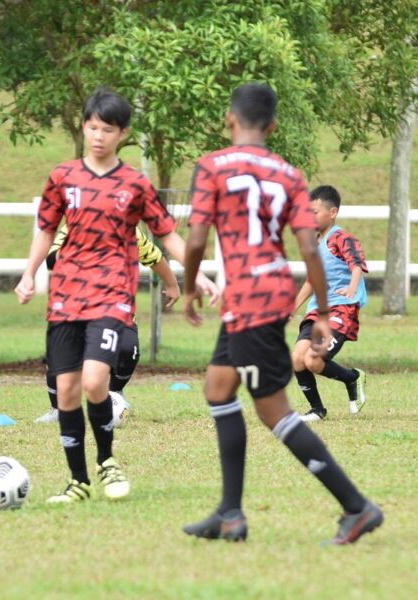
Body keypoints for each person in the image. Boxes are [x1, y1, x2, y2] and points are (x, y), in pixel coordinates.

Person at [182, 82, 383, 544]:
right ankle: (229, 513)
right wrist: (324, 312)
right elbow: (310, 249)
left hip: (250, 299)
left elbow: (195, 240)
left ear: (230, 119)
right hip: (267, 294)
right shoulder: (289, 175)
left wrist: (190, 285)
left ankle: (356, 507)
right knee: (218, 387)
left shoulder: (211, 166)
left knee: (274, 412)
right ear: (272, 126)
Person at [15, 87, 211, 503]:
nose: (98, 136)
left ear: (122, 133)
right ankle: (78, 481)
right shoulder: (62, 178)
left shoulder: (135, 184)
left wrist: (196, 273)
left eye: (107, 129)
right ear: (83, 127)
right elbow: (46, 231)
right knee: (66, 390)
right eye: (92, 127)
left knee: (93, 381)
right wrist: (28, 274)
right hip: (66, 297)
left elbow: (166, 235)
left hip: (111, 296)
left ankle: (106, 460)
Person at [35, 223, 220, 424]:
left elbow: (155, 257)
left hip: (116, 309)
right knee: (58, 353)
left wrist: (172, 283)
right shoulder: (74, 224)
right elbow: (51, 260)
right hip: (75, 308)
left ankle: (115, 394)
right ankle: (57, 409)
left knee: (127, 349)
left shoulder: (129, 229)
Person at [291, 185, 368, 422]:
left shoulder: (341, 237)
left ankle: (352, 377)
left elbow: (356, 264)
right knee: (298, 359)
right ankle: (317, 410)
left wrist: (352, 287)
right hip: (317, 311)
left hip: (342, 309)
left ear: (332, 212)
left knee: (313, 360)